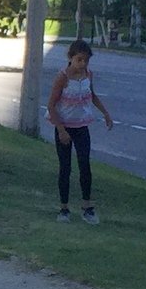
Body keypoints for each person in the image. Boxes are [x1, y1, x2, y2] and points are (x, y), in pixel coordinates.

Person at [46, 38, 114, 225]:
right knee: (65, 168)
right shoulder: (62, 77)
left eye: (86, 60)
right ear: (71, 58)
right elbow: (51, 105)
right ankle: (64, 208)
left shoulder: (88, 75)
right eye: (79, 60)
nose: (82, 64)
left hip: (81, 126)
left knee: (85, 165)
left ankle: (87, 206)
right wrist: (61, 130)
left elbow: (92, 96)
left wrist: (106, 114)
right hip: (65, 127)